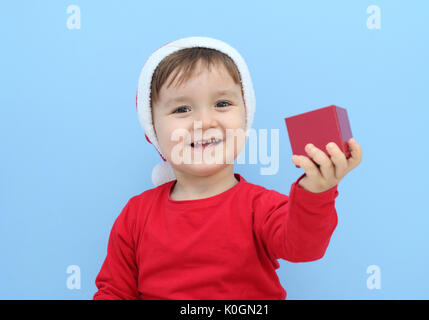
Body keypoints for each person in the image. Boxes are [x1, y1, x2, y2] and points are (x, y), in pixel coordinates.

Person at [93, 36, 362, 300]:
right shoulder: (135, 215)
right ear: (153, 130)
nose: (204, 120)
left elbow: (304, 248)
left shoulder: (263, 207)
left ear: (245, 119)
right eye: (182, 109)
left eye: (222, 104)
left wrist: (316, 191)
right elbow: (115, 292)